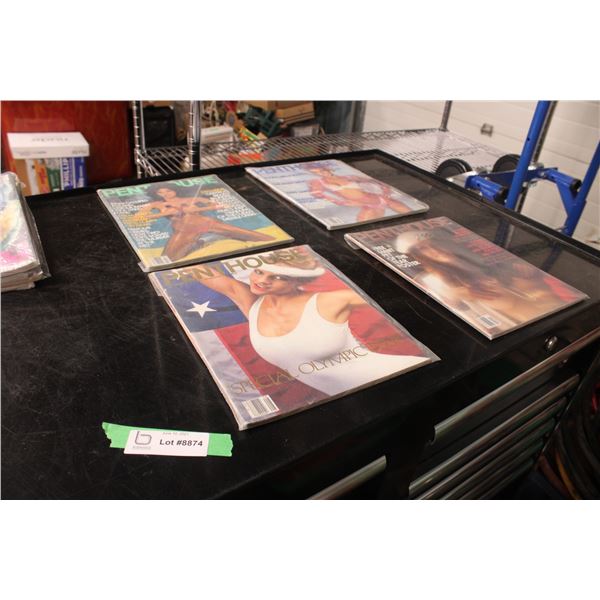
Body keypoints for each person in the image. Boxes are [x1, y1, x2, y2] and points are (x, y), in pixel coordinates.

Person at [200, 252, 427, 395]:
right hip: (354, 399)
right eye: (259, 271)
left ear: (297, 281)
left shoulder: (329, 301)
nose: (261, 281)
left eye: (277, 277)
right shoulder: (251, 303)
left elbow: (396, 297)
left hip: (405, 378)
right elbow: (196, 271)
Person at [394, 228, 573, 328]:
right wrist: (467, 293)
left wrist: (532, 278)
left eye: (433, 243)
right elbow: (450, 303)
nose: (434, 249)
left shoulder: (480, 262)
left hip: (555, 318)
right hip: (523, 331)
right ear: (419, 257)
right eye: (424, 249)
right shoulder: (433, 280)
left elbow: (545, 297)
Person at [135, 183, 275, 261]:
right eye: (161, 192)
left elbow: (219, 205)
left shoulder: (190, 199)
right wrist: (164, 213)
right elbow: (138, 218)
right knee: (167, 259)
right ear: (157, 194)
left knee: (263, 239)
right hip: (184, 230)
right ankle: (199, 244)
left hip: (207, 223)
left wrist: (203, 208)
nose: (166, 194)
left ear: (174, 190)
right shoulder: (156, 204)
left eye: (168, 190)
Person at [306, 164, 416, 221]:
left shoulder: (349, 177)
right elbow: (319, 195)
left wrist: (386, 189)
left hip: (381, 199)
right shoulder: (319, 182)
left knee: (413, 218)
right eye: (316, 172)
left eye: (321, 170)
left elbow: (374, 181)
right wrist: (342, 202)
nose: (321, 173)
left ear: (327, 168)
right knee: (367, 231)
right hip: (366, 205)